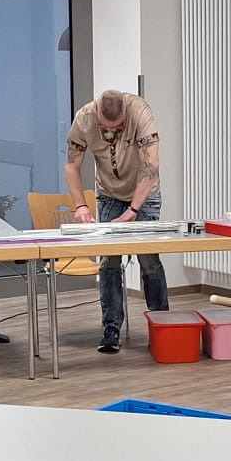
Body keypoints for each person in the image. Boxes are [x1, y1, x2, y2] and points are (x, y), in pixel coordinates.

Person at [64, 89, 167, 354]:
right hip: (109, 194)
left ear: (125, 116)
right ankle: (111, 329)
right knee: (109, 261)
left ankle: (163, 327)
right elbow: (72, 166)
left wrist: (134, 209)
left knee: (149, 259)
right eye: (106, 129)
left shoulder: (140, 112)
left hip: (144, 193)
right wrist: (80, 205)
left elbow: (152, 165)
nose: (112, 133)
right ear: (97, 113)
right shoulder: (84, 118)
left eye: (119, 128)